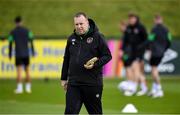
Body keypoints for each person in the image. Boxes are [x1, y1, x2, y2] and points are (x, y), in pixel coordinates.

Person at [60, 12, 112, 114]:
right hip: (74, 84)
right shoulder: (71, 39)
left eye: (81, 24)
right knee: (70, 112)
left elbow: (107, 56)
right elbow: (66, 59)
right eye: (76, 24)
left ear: (87, 22)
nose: (79, 27)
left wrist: (95, 65)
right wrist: (63, 78)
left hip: (92, 84)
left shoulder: (98, 37)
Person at [122, 13, 148, 96]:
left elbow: (146, 40)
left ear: (136, 19)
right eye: (130, 19)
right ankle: (143, 88)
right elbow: (125, 40)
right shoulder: (128, 28)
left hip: (139, 52)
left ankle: (134, 88)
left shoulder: (140, 27)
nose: (131, 20)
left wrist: (142, 48)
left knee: (136, 70)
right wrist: (122, 50)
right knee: (135, 70)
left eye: (133, 19)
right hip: (131, 52)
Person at [8, 16, 35, 94]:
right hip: (26, 53)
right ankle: (28, 88)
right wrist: (32, 51)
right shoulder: (27, 31)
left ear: (15, 22)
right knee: (27, 71)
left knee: (19, 72)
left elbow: (10, 43)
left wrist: (10, 54)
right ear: (21, 21)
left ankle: (19, 89)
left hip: (18, 54)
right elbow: (31, 40)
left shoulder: (12, 32)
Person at [147, 14, 171, 98]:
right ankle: (154, 89)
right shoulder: (166, 29)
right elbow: (169, 41)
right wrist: (164, 49)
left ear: (155, 20)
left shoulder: (154, 29)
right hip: (161, 52)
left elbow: (150, 40)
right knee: (155, 69)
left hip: (155, 52)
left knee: (154, 70)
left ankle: (159, 89)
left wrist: (149, 50)